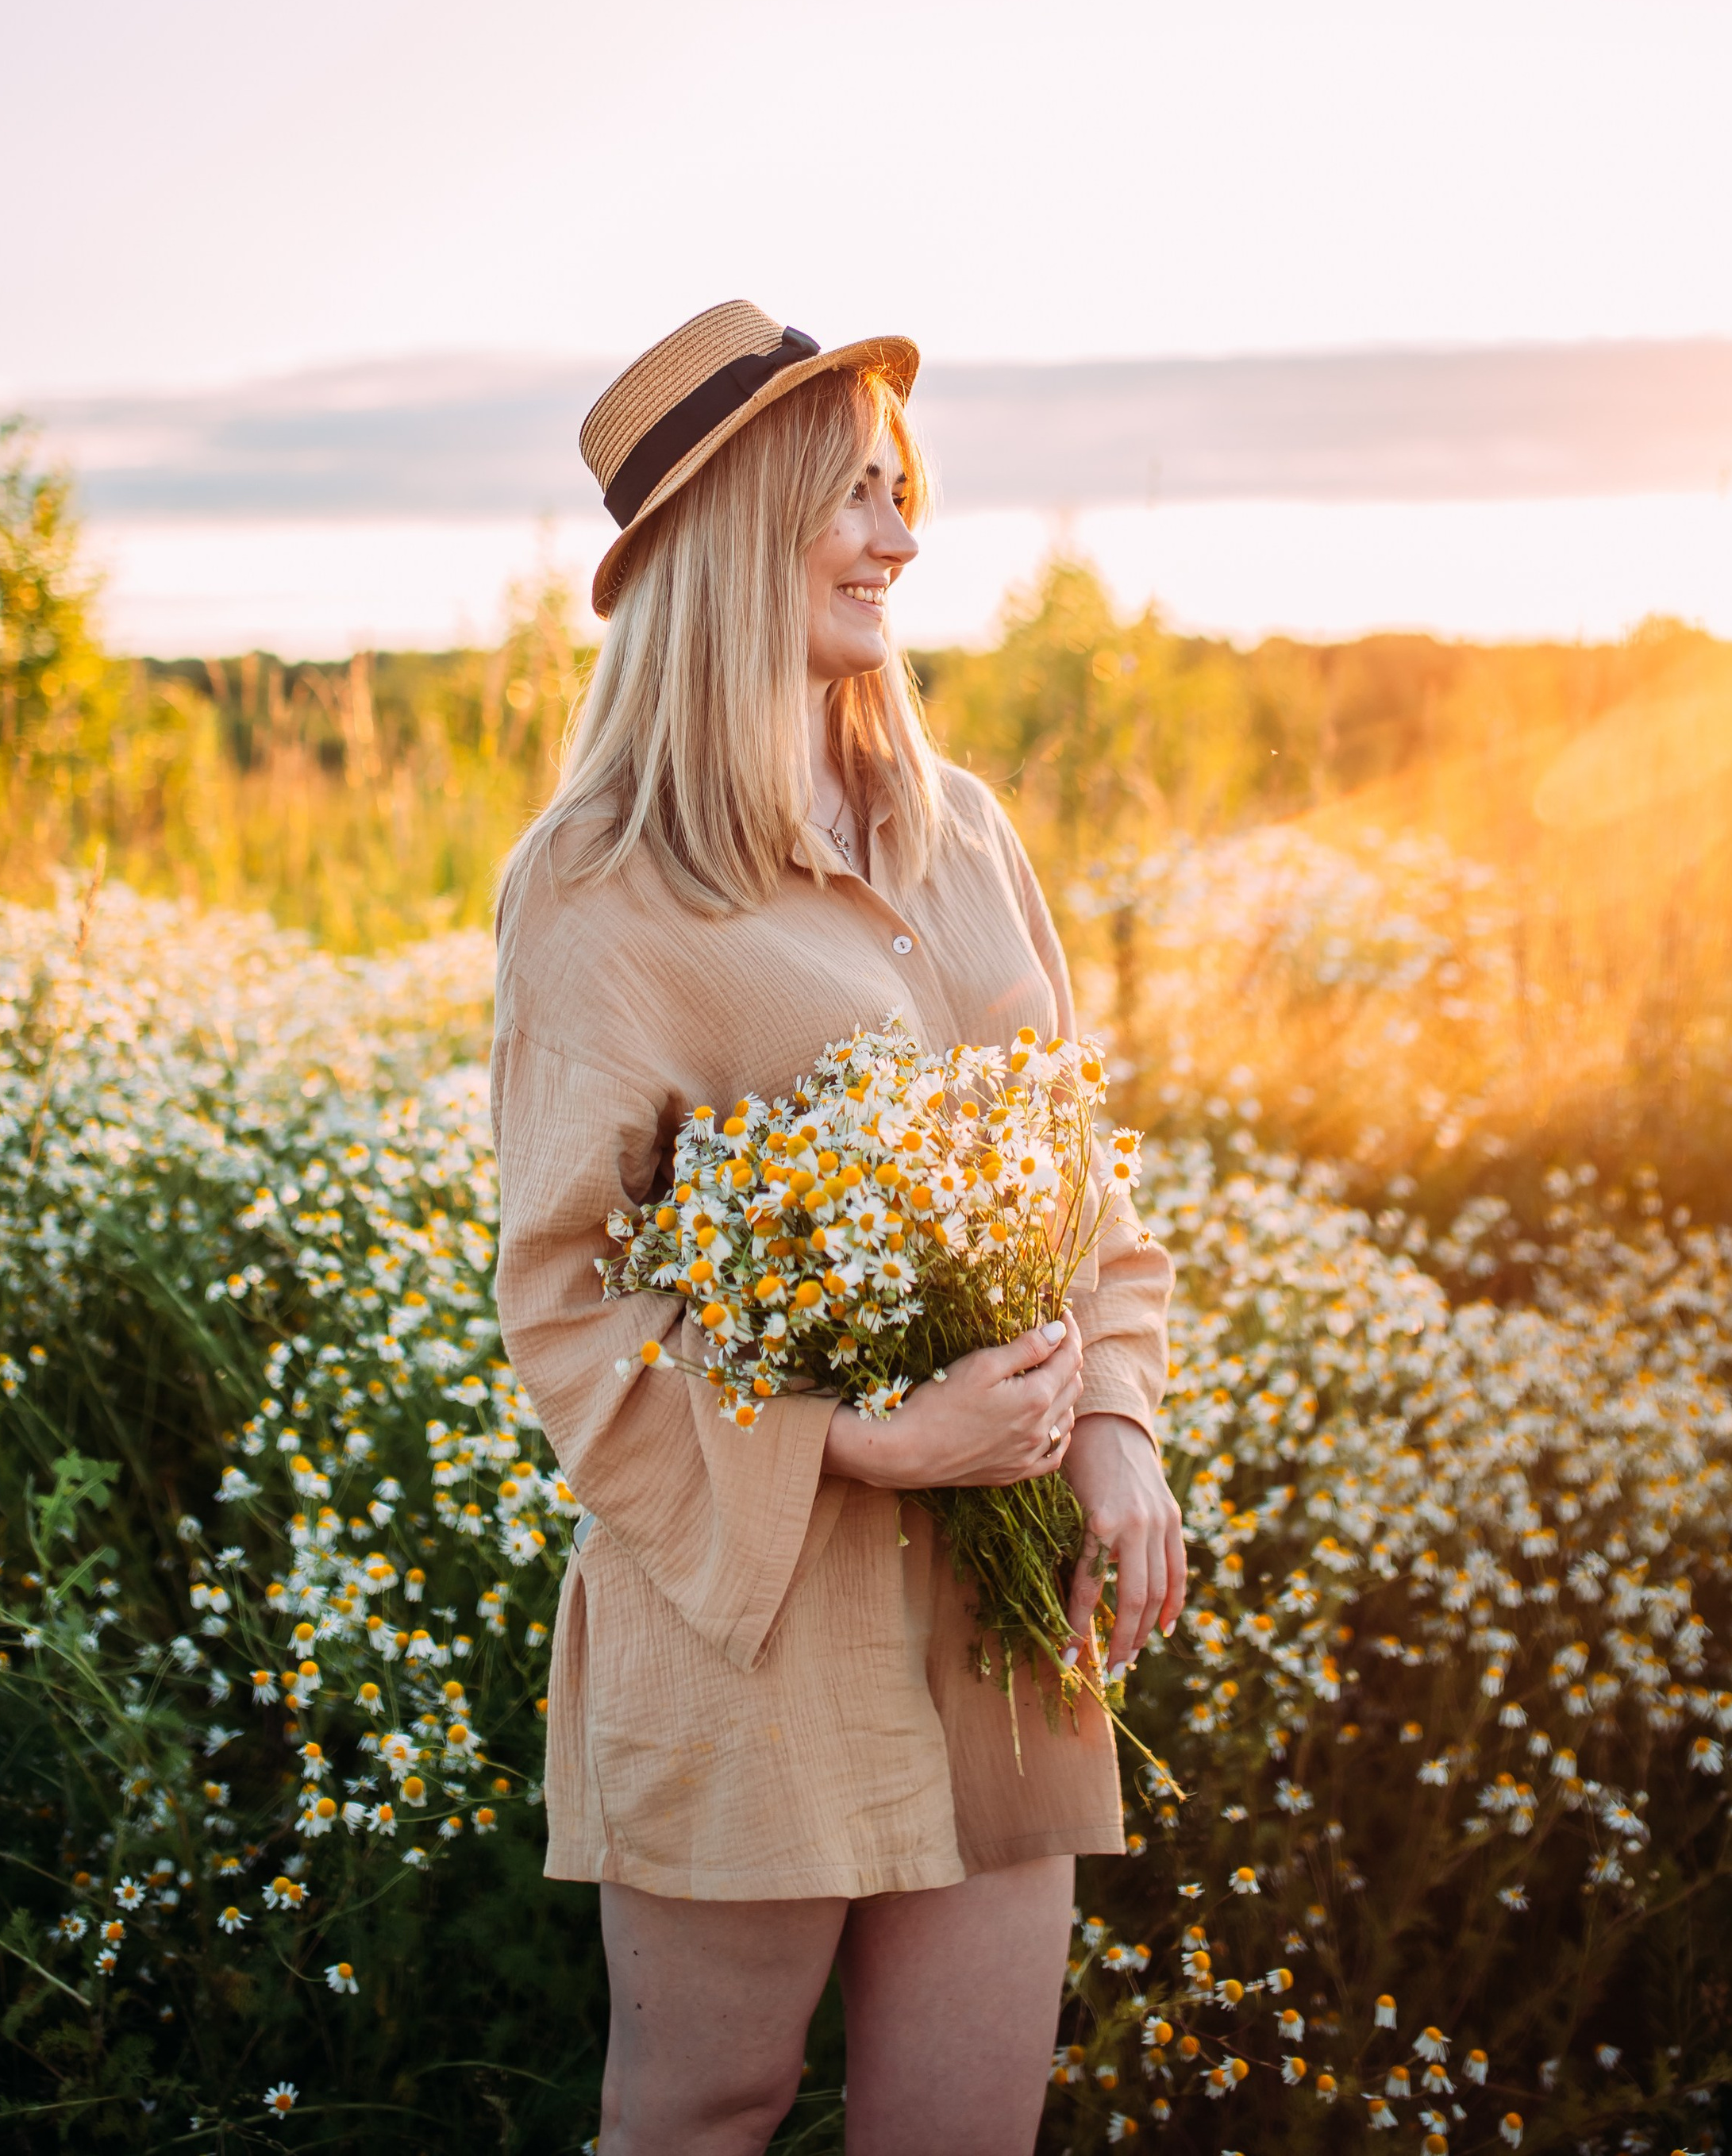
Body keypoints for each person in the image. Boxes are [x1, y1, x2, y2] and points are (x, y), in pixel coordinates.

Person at [491, 301, 1184, 2156]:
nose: (897, 535)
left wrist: (1112, 1420)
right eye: (850, 497)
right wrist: (867, 1441)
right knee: (699, 2118)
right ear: (728, 537)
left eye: (901, 492)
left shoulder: (958, 832)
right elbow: (561, 1308)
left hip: (1003, 1613)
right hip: (752, 1633)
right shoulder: (597, 890)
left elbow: (1078, 1187)